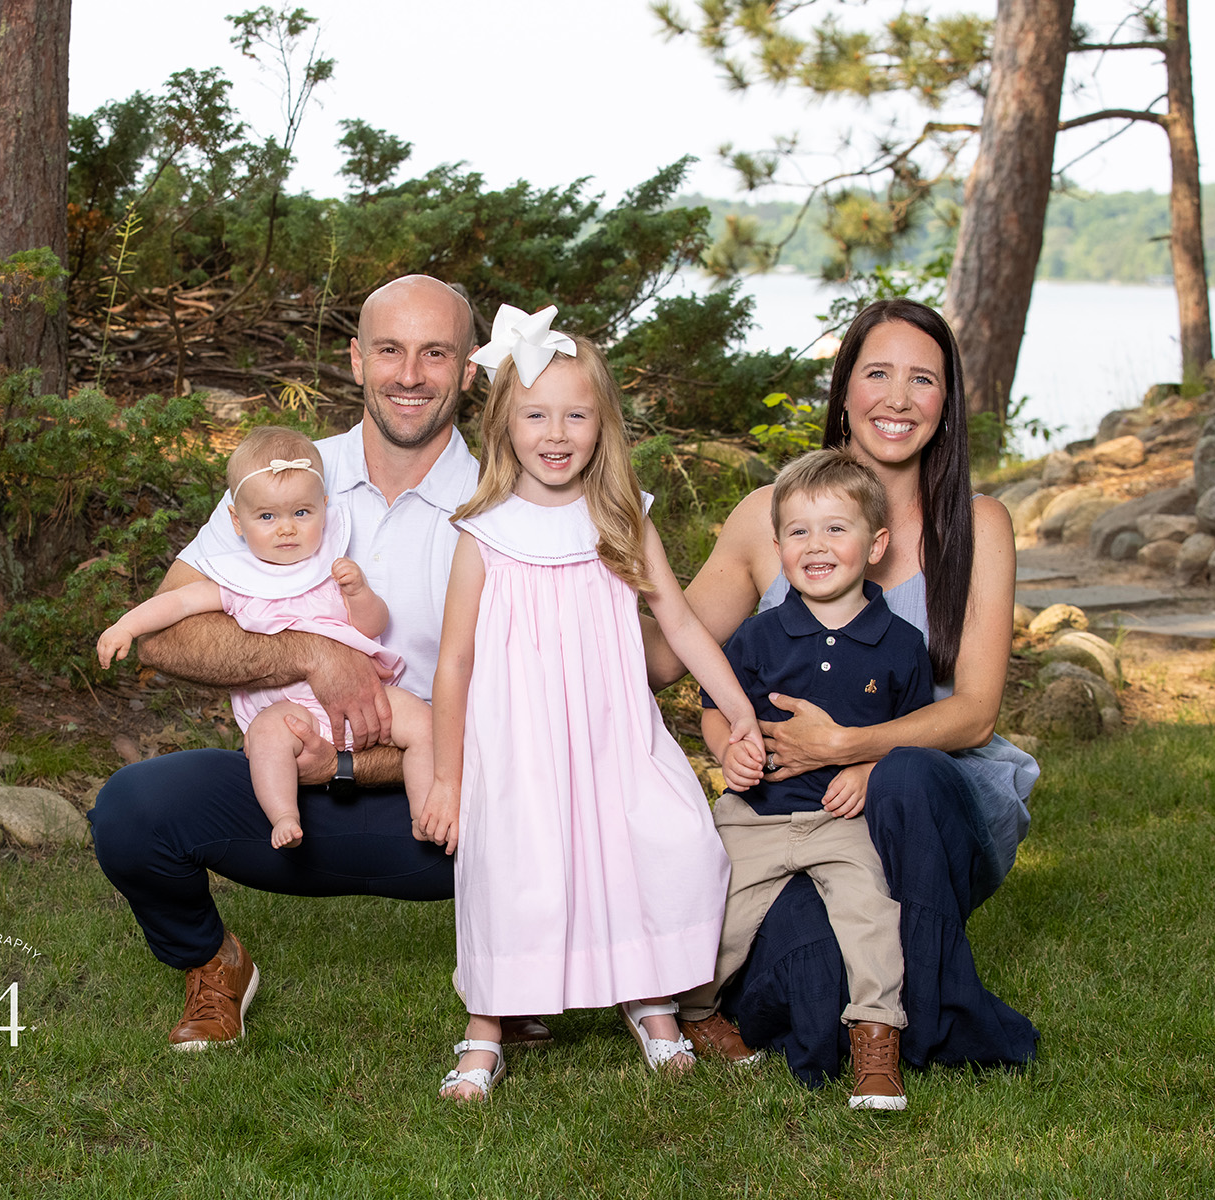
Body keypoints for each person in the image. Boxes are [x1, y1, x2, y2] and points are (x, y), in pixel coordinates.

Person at [89, 275, 546, 1052]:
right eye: (390, 351)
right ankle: (214, 962)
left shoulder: (509, 499)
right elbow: (165, 633)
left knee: (558, 798)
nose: (410, 374)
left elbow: (544, 693)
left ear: (470, 369)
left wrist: (357, 758)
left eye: (436, 353)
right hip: (284, 785)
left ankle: (528, 972)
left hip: (444, 797)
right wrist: (309, 653)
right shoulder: (285, 478)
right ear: (355, 361)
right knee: (133, 809)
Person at [649, 298, 1041, 1086]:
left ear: (947, 401)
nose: (898, 398)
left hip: (924, 801)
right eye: (878, 374)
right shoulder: (771, 516)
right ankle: (888, 1025)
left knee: (906, 774)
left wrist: (850, 746)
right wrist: (580, 559)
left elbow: (973, 713)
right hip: (789, 809)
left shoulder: (980, 524)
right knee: (805, 985)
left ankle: (917, 1027)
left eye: (922, 379)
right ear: (845, 389)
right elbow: (672, 658)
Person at [418, 307, 764, 1101]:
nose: (556, 432)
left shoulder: (621, 517)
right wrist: (445, 775)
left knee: (656, 846)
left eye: (576, 414)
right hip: (519, 742)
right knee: (519, 872)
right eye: (536, 414)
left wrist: (735, 705)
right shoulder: (485, 531)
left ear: (602, 425)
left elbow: (676, 619)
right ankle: (487, 1026)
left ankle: (649, 997)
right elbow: (457, 660)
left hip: (611, 730)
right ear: (505, 424)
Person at [690, 448, 934, 1110]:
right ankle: (693, 1014)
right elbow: (719, 711)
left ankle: (876, 1043)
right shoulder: (757, 636)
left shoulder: (901, 644)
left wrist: (864, 765)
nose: (816, 545)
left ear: (875, 543)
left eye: (836, 528)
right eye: (799, 531)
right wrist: (728, 751)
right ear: (778, 545)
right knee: (715, 919)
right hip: (757, 816)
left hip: (839, 820)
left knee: (871, 920)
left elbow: (911, 734)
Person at [94, 427, 430, 851]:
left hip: (368, 700)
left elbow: (372, 627)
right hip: (290, 707)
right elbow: (177, 604)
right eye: (268, 517)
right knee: (269, 738)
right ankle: (284, 815)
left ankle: (424, 811)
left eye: (302, 514)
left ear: (323, 510)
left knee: (422, 722)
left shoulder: (332, 569)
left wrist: (360, 593)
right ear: (238, 521)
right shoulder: (241, 579)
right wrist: (126, 626)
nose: (286, 529)